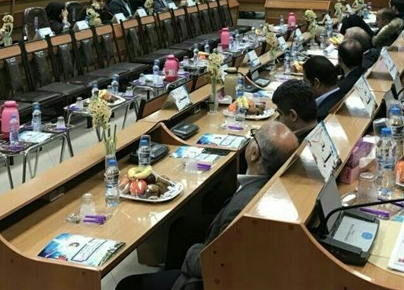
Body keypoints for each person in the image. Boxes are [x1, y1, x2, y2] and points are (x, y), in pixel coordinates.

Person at [116, 121, 299, 290]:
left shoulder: (241, 208)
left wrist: (193, 252)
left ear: (254, 153)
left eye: (254, 136)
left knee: (127, 285)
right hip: (223, 254)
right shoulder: (271, 186)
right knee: (183, 227)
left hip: (206, 278)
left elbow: (216, 264)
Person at [303, 56, 342, 121]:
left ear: (316, 83)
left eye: (305, 82)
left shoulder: (320, 116)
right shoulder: (343, 93)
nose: (304, 86)